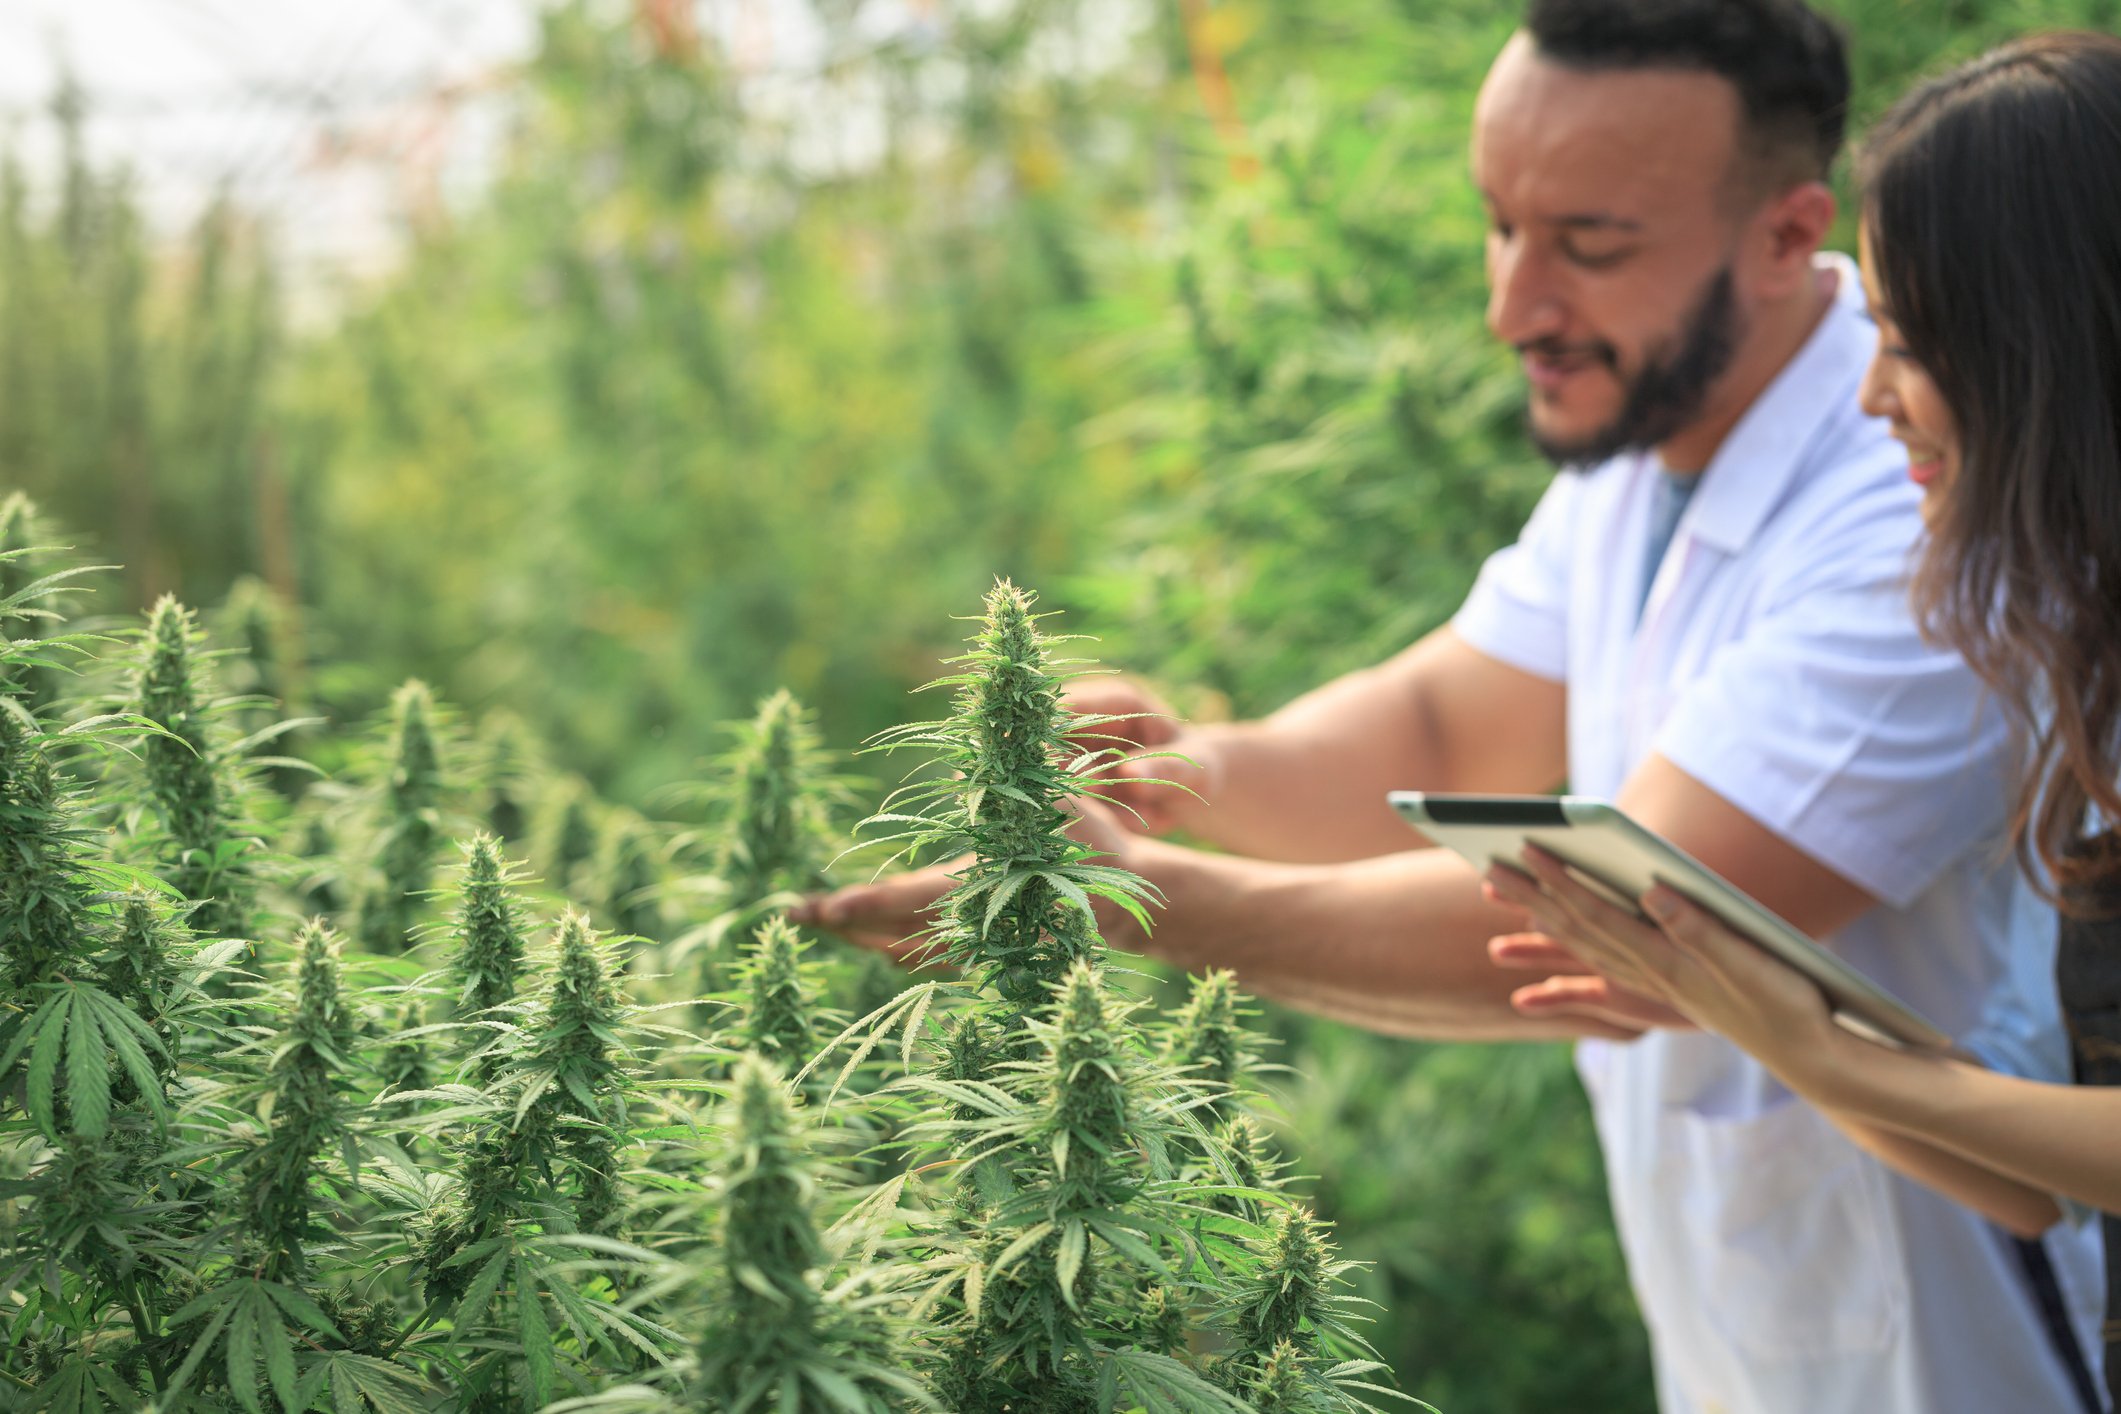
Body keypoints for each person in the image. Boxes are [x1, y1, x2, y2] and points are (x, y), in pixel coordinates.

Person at [799, 3, 2107, 1409]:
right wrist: (1192, 771)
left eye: (1589, 246)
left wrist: (1139, 902)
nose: (1511, 306)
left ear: (1789, 237)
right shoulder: (1648, 427)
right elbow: (1448, 724)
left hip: (1962, 1345)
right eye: (1499, 227)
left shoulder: (1929, 536)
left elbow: (1602, 920)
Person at [1478, 30, 2121, 1408]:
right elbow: (2026, 1176)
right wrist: (1760, 1009)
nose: (1872, 395)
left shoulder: (1921, 589)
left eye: (1906, 343)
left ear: (2039, 343)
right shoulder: (2080, 665)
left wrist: (1816, 1043)